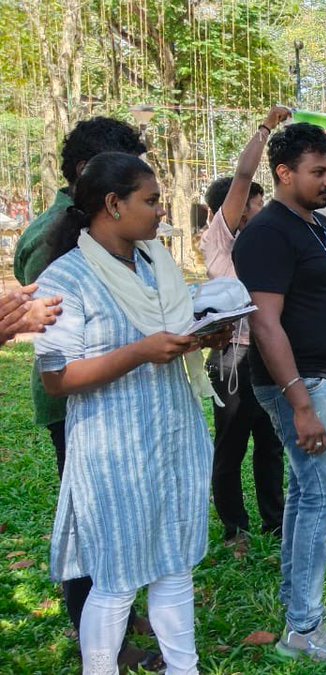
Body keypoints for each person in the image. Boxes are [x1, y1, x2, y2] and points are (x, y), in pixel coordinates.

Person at [34, 152, 230, 675]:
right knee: (118, 578)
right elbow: (57, 379)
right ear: (113, 204)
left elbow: (174, 329)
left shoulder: (155, 263)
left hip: (173, 433)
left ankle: (182, 668)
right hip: (113, 446)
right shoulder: (66, 279)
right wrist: (140, 351)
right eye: (151, 200)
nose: (161, 212)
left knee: (174, 566)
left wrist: (206, 334)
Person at [10, 117, 160, 671]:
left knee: (127, 510)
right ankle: (98, 635)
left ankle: (123, 610)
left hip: (123, 391)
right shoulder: (56, 236)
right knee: (91, 518)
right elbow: (63, 337)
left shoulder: (107, 228)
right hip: (78, 399)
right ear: (91, 180)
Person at [234, 122, 326, 662]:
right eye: (317, 171)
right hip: (298, 384)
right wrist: (300, 402)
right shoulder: (267, 233)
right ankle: (303, 628)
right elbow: (266, 324)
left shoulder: (320, 225)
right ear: (283, 173)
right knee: (322, 497)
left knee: (305, 492)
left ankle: (299, 600)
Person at [200, 106, 291, 549]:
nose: (260, 205)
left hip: (269, 354)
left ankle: (275, 523)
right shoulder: (220, 242)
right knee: (232, 444)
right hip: (232, 356)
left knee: (271, 444)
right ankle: (235, 530)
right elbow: (241, 177)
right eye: (255, 200)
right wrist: (267, 128)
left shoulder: (270, 240)